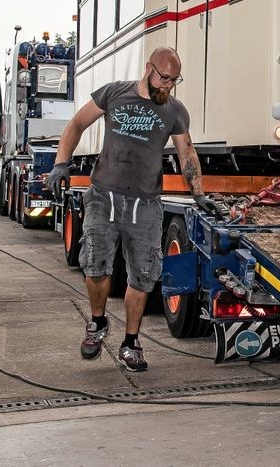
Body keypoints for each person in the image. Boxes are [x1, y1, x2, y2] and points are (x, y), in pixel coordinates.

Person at [48, 47, 220, 372]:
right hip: (103, 196)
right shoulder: (114, 93)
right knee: (96, 266)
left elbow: (187, 154)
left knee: (143, 275)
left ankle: (130, 342)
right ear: (148, 68)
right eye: (164, 77)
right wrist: (61, 164)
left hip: (145, 203)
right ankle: (97, 323)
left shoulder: (175, 111)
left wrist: (198, 194)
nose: (168, 85)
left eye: (174, 80)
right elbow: (76, 124)